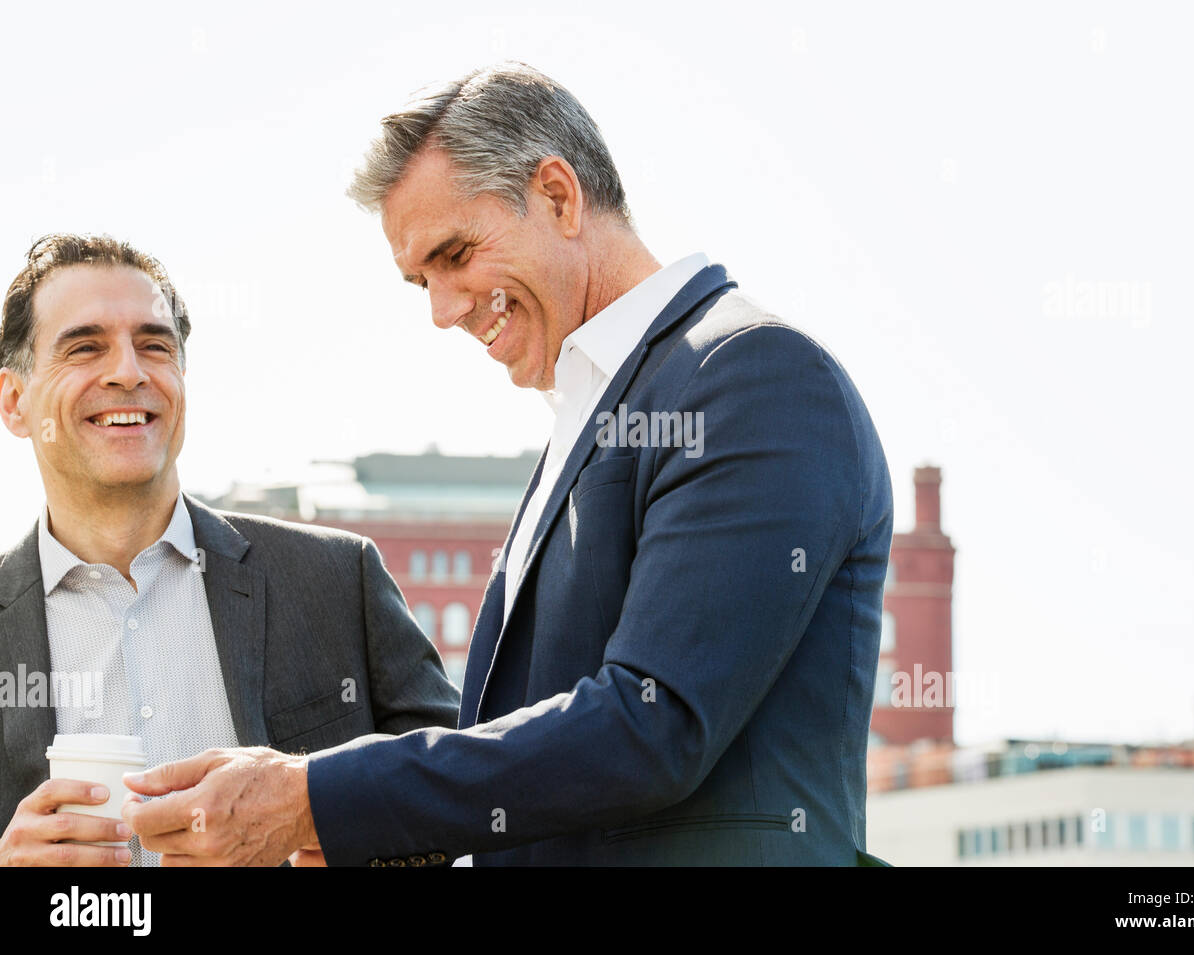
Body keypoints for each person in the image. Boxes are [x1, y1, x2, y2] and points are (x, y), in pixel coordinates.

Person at [123, 62, 893, 866]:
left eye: (455, 255)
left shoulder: (753, 377)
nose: (443, 309)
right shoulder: (595, 412)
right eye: (421, 280)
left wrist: (316, 799)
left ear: (559, 196)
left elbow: (651, 725)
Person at [0, 234, 460, 866]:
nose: (129, 372)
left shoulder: (335, 580)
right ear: (15, 401)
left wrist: (332, 832)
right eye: (85, 347)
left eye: (154, 345)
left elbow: (459, 790)